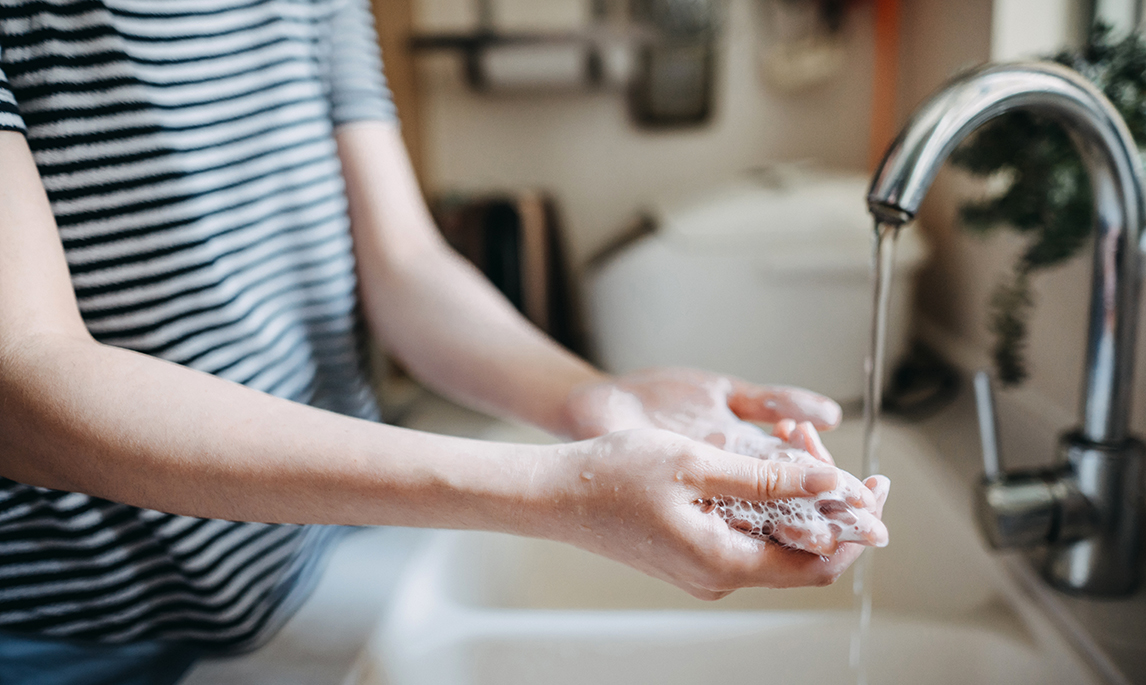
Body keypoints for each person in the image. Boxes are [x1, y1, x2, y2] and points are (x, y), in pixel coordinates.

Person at [0, 1, 888, 682]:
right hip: (68, 625)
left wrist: (594, 397)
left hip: (305, 564)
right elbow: (23, 384)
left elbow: (407, 264)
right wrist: (561, 487)